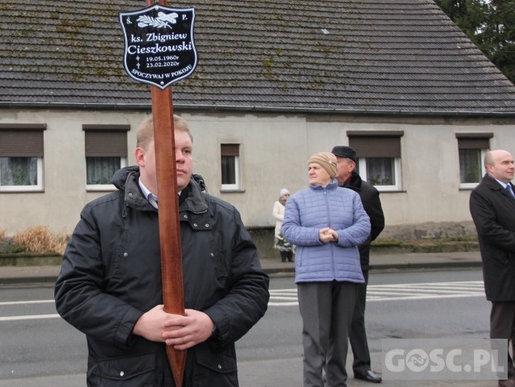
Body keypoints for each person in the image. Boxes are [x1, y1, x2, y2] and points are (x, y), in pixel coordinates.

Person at [54, 114, 270, 386]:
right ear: (140, 156)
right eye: (170, 149)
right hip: (127, 378)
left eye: (187, 151)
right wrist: (137, 323)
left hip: (207, 375)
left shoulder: (222, 217)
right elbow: (73, 293)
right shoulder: (101, 217)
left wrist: (212, 322)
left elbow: (253, 287)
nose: (180, 158)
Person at [281, 152, 370, 387]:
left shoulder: (351, 198)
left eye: (316, 167)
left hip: (347, 275)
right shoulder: (297, 200)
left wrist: (339, 235)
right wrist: (317, 235)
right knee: (314, 337)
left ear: (330, 171)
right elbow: (288, 230)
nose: (310, 171)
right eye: (309, 167)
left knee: (340, 338)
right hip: (313, 276)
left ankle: (337, 383)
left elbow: (363, 227)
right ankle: (312, 383)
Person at [331, 145, 385, 384]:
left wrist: (354, 242)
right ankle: (331, 369)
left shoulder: (367, 193)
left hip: (355, 263)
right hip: (328, 262)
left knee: (354, 316)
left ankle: (362, 366)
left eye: (337, 161)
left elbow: (376, 225)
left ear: (350, 166)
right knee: (328, 317)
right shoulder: (327, 189)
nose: (332, 165)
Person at [469, 149, 515, 387]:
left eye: (512, 162)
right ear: (490, 168)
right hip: (503, 269)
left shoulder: (512, 191)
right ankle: (504, 375)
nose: (511, 166)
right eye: (505, 162)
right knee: (502, 327)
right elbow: (488, 229)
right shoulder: (482, 194)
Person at [273, 188, 294, 262]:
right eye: (285, 195)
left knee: (289, 242)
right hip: (281, 226)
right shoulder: (277, 203)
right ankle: (283, 258)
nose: (287, 196)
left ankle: (290, 257)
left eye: (288, 195)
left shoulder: (291, 203)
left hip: (289, 225)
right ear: (282, 196)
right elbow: (275, 214)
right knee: (282, 242)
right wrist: (284, 218)